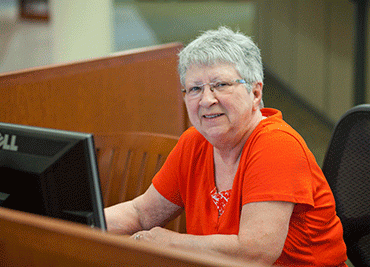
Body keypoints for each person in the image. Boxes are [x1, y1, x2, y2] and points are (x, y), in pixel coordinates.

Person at [104, 26, 348, 266]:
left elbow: (254, 255)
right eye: (195, 89)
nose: (207, 100)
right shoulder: (194, 142)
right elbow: (141, 213)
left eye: (220, 85)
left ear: (255, 93)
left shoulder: (277, 145)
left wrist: (169, 242)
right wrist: (77, 220)